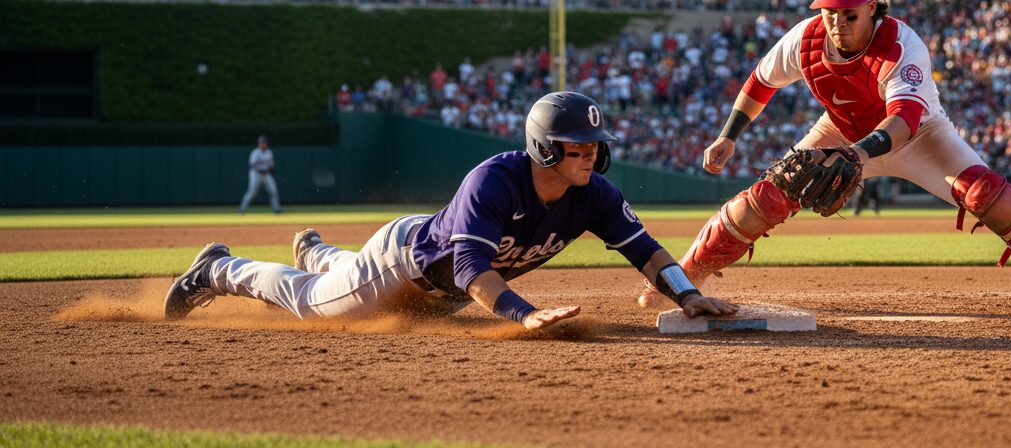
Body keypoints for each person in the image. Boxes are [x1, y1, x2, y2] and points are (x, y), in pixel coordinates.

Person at [642, 0, 1011, 316]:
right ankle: (682, 279)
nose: (837, 22)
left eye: (849, 13)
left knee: (984, 193)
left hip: (919, 137)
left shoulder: (901, 44)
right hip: (842, 130)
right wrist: (728, 136)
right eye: (829, 12)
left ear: (872, 7)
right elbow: (761, 82)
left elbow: (906, 118)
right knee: (768, 195)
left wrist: (855, 154)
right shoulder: (806, 38)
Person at [166, 92, 737, 329]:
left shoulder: (595, 194)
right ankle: (218, 268)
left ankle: (317, 252)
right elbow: (470, 271)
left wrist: (686, 293)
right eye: (577, 146)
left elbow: (646, 251)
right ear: (544, 148)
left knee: (342, 277)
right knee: (313, 305)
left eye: (594, 145)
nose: (590, 154)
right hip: (403, 265)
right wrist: (523, 315)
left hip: (442, 284)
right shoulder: (495, 181)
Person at [238, 136, 280, 215]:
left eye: (264, 142)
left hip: (266, 174)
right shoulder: (255, 152)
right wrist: (261, 170)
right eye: (261, 142)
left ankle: (277, 209)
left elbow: (271, 165)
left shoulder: (269, 152)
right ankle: (242, 209)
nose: (263, 144)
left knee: (273, 191)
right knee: (251, 193)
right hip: (255, 174)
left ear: (266, 144)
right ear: (259, 143)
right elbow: (252, 165)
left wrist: (266, 170)